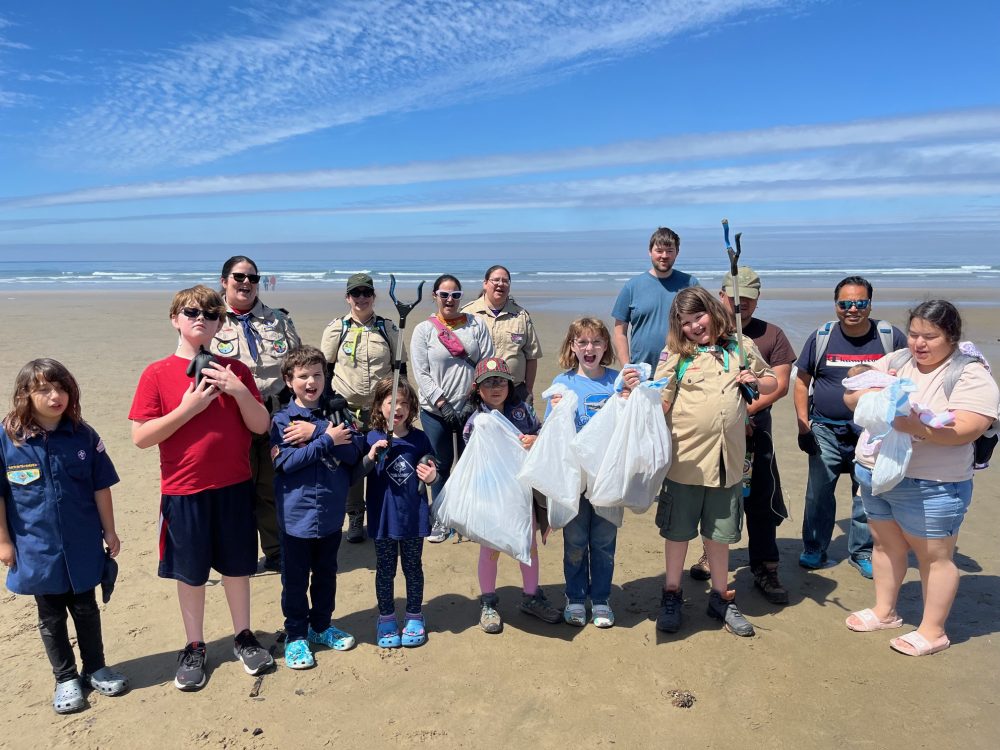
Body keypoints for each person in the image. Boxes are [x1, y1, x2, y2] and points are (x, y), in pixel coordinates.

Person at [130, 285, 274, 691]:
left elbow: (260, 425)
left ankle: (243, 636)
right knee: (190, 574)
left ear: (219, 325)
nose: (201, 319)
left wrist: (238, 389)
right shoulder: (156, 373)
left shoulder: (235, 371)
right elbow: (141, 437)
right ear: (175, 318)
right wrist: (187, 409)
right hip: (184, 490)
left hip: (233, 486)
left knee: (237, 568)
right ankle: (194, 644)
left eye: (211, 314)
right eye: (191, 312)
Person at [843, 300, 998, 655]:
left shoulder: (969, 373)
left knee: (935, 558)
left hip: (933, 483)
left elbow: (967, 429)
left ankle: (933, 631)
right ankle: (885, 611)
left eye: (930, 336)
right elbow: (852, 392)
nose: (919, 344)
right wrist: (872, 389)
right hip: (876, 472)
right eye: (914, 334)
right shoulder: (898, 360)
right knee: (884, 546)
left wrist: (914, 425)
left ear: (952, 337)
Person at [0, 359, 128, 714]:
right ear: (26, 394)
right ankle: (66, 677)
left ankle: (96, 667)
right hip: (36, 547)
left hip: (83, 542)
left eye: (61, 388)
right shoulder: (8, 438)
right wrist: (4, 541)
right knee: (51, 615)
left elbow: (101, 486)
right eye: (44, 389)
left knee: (86, 607)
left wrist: (110, 530)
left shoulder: (83, 434)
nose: (55, 396)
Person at [653, 287, 777, 637]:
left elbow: (771, 382)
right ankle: (672, 593)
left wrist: (755, 380)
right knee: (677, 534)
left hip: (728, 465)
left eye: (699, 317)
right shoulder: (676, 354)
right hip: (685, 464)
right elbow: (660, 401)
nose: (694, 327)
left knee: (719, 536)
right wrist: (634, 398)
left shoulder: (740, 347)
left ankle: (721, 597)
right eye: (686, 322)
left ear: (712, 310)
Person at [688, 267, 796, 604]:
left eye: (748, 298)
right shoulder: (703, 333)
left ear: (757, 299)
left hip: (754, 434)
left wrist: (743, 414)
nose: (741, 304)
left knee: (760, 501)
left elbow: (777, 385)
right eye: (735, 298)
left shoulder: (772, 335)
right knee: (713, 500)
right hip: (713, 439)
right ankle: (711, 554)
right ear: (721, 296)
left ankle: (765, 565)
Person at [795, 276, 906, 577]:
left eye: (860, 303)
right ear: (836, 305)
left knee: (866, 492)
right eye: (845, 303)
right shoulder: (822, 337)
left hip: (872, 432)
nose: (853, 309)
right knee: (819, 491)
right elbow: (802, 381)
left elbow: (908, 378)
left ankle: (862, 552)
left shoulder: (889, 337)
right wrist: (803, 424)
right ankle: (814, 548)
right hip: (825, 428)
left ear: (870, 304)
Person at [270, 346, 365, 669]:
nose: (311, 382)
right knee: (295, 580)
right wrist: (326, 441)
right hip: (295, 517)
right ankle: (296, 634)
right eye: (303, 376)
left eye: (317, 375)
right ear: (288, 380)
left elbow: (353, 455)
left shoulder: (337, 415)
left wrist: (321, 430)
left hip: (329, 515)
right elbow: (287, 463)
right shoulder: (283, 420)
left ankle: (321, 626)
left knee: (326, 575)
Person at [546, 318, 640, 629]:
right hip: (574, 478)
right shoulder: (563, 383)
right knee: (574, 540)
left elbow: (633, 424)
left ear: (606, 347)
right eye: (583, 342)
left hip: (607, 478)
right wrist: (557, 409)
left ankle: (600, 599)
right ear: (572, 346)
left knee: (602, 540)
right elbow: (551, 434)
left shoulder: (617, 382)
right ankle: (574, 597)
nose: (590, 348)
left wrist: (631, 399)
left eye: (597, 342)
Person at [212, 255, 301, 573]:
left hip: (274, 416)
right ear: (224, 281)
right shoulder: (210, 320)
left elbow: (296, 365)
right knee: (237, 488)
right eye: (239, 277)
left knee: (271, 486)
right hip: (231, 418)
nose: (246, 283)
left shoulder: (278, 320)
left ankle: (275, 550)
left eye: (252, 277)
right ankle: (240, 552)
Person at [462, 356, 561, 632]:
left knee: (527, 545)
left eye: (501, 382)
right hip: (491, 495)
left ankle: (531, 596)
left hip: (521, 493)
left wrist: (535, 440)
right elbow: (473, 459)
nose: (495, 388)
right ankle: (488, 602)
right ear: (477, 388)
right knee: (490, 548)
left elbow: (542, 435)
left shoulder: (523, 412)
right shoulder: (476, 421)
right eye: (488, 383)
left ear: (509, 385)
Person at [319, 272, 405, 544]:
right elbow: (324, 368)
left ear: (373, 297)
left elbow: (400, 368)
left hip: (381, 411)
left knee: (382, 461)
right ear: (347, 297)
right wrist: (328, 401)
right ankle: (355, 516)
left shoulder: (387, 328)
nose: (361, 298)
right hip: (348, 412)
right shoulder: (337, 328)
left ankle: (382, 514)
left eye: (366, 293)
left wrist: (402, 402)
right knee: (354, 464)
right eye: (356, 293)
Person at [354, 376, 438, 648]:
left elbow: (431, 469)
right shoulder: (372, 437)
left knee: (413, 568)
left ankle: (415, 615)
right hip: (382, 519)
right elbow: (357, 473)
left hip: (413, 517)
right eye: (391, 402)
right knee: (385, 570)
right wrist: (371, 455)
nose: (398, 408)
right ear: (379, 407)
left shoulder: (420, 439)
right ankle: (386, 617)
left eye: (404, 403)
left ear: (412, 407)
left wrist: (431, 476)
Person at [411, 274, 494, 542]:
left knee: (472, 464)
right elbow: (421, 374)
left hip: (471, 409)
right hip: (436, 412)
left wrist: (473, 399)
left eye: (455, 295)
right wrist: (443, 403)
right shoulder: (424, 330)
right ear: (434, 296)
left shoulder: (476, 325)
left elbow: (487, 363)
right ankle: (442, 519)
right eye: (444, 294)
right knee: (441, 465)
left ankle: (470, 518)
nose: (450, 300)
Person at [612, 227, 700, 370]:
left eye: (669, 251)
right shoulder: (632, 286)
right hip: (641, 373)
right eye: (659, 251)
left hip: (682, 370)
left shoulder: (690, 284)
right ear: (650, 251)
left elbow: (704, 324)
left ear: (677, 253)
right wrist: (626, 368)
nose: (664, 256)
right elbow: (619, 332)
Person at [462, 265, 543, 404]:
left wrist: (528, 389)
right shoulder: (467, 314)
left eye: (505, 281)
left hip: (515, 390)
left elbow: (532, 356)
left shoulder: (521, 315)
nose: (501, 284)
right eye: (496, 280)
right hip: (480, 391)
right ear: (485, 284)